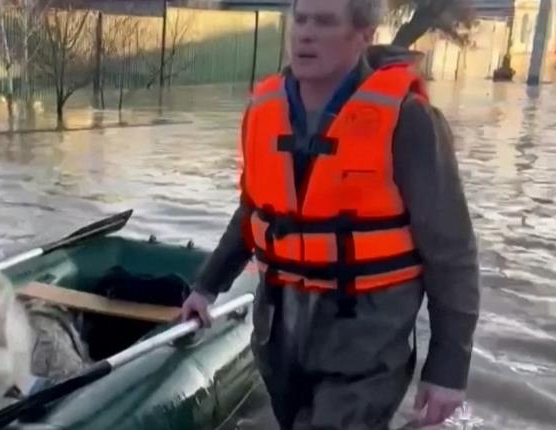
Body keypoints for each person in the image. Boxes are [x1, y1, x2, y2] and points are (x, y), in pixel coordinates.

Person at [179, 0, 480, 429]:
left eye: (324, 22)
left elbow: (453, 252)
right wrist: (206, 287)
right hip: (280, 332)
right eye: (300, 19)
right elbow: (254, 211)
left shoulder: (409, 121)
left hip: (366, 339)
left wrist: (449, 368)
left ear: (363, 35)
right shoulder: (263, 111)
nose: (305, 33)